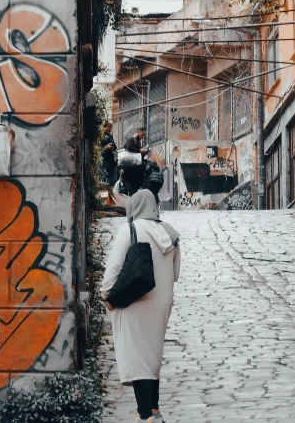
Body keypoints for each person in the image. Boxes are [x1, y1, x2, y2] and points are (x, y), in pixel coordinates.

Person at [101, 190, 180, 423]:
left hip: (136, 301)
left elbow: (112, 271)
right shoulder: (170, 233)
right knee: (152, 356)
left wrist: (108, 296)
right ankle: (153, 410)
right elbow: (175, 274)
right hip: (162, 302)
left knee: (138, 358)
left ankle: (145, 414)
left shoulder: (130, 229)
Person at [101, 122, 118, 186]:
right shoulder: (101, 137)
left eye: (110, 131)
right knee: (103, 179)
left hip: (111, 162)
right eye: (107, 130)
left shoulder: (110, 136)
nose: (109, 132)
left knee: (113, 180)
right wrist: (105, 147)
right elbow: (97, 149)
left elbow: (115, 147)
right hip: (104, 161)